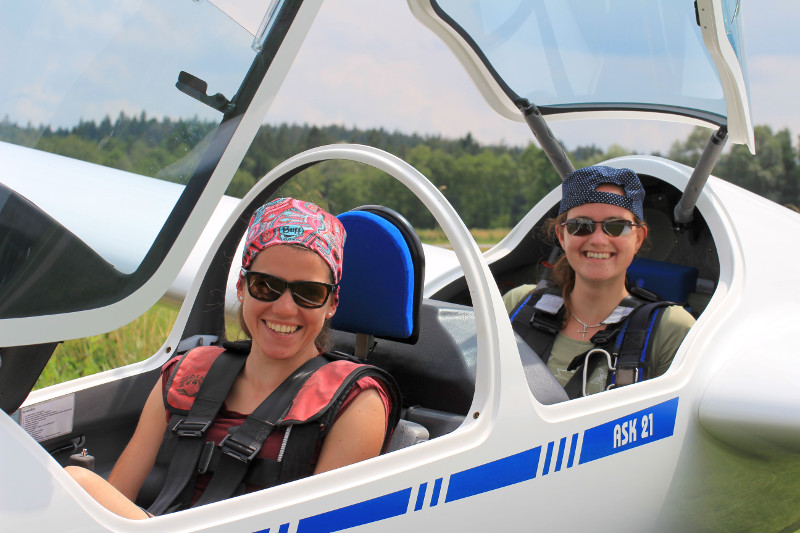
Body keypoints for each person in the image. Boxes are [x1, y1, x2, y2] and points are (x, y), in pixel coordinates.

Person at [65, 197, 399, 519]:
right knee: (70, 493)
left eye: (309, 293)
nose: (284, 307)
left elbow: (325, 524)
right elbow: (113, 504)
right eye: (266, 286)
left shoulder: (357, 401)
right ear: (241, 287)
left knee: (78, 484)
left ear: (332, 304)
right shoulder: (184, 375)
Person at [504, 166, 694, 397]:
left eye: (616, 226)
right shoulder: (518, 304)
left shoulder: (671, 329)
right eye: (581, 226)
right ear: (562, 236)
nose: (598, 240)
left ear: (638, 238)